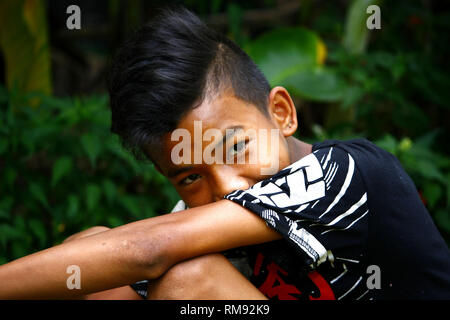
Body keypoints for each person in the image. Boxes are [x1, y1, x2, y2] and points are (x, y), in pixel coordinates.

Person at [0, 6, 449, 300]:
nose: (228, 186)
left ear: (281, 112)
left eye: (235, 146)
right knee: (92, 260)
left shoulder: (343, 175)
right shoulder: (223, 219)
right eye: (190, 177)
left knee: (188, 283)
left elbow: (149, 248)